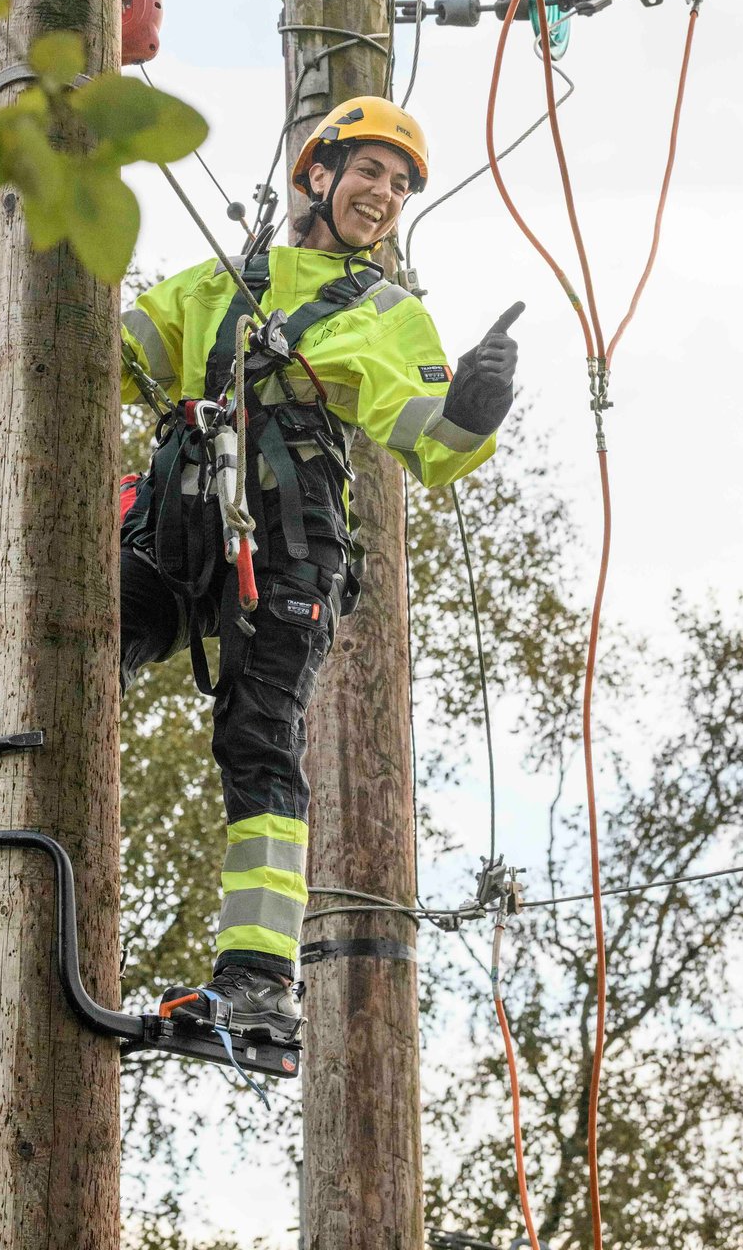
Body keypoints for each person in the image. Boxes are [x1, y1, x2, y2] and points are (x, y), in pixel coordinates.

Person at [118, 95, 522, 1043]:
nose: (384, 195)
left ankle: (258, 982)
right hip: (179, 534)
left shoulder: (385, 313)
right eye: (369, 171)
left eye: (400, 185)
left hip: (291, 550)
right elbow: (104, 358)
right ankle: (31, 861)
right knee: (78, 636)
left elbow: (430, 444)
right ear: (317, 174)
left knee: (258, 737)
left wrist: (473, 409)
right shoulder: (214, 284)